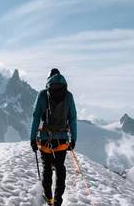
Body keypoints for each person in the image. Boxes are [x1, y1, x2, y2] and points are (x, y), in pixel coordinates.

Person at [30, 68, 77, 206]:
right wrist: (73, 139)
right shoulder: (68, 95)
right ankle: (58, 201)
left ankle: (49, 199)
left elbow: (36, 116)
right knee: (60, 167)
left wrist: (33, 138)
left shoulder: (43, 94)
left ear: (49, 79)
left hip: (45, 139)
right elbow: (73, 118)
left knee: (46, 169)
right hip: (62, 139)